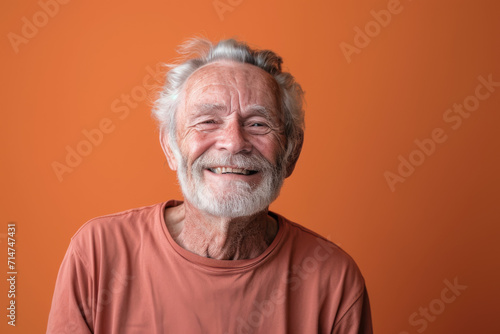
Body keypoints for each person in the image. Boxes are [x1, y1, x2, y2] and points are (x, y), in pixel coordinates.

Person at [47, 38, 373, 334]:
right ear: (171, 147)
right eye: (208, 121)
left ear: (291, 152)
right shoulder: (98, 253)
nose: (233, 143)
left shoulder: (333, 280)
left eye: (258, 123)